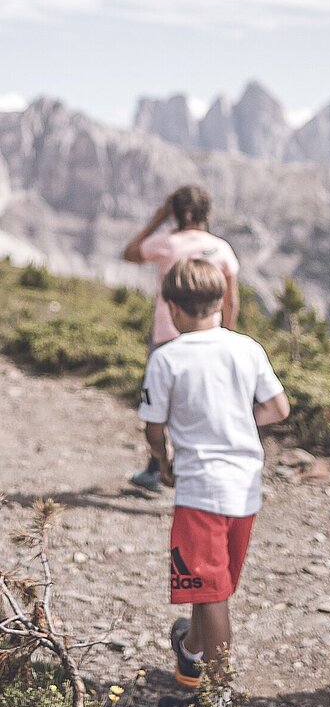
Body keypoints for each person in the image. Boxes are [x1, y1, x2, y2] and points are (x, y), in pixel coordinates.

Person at [137, 257, 290, 707]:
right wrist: (238, 423)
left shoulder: (168, 356)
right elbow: (277, 407)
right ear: (223, 301)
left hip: (200, 489)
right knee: (213, 590)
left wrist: (162, 460)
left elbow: (154, 426)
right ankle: (190, 652)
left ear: (174, 308)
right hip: (246, 488)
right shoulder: (246, 348)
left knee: (211, 593)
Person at [123, 185, 240, 490]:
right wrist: (226, 335)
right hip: (212, 336)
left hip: (167, 336)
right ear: (207, 213)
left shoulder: (165, 242)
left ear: (174, 211)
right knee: (202, 404)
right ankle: (200, 470)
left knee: (159, 406)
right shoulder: (222, 248)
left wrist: (157, 219)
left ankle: (157, 467)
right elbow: (231, 300)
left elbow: (129, 253)